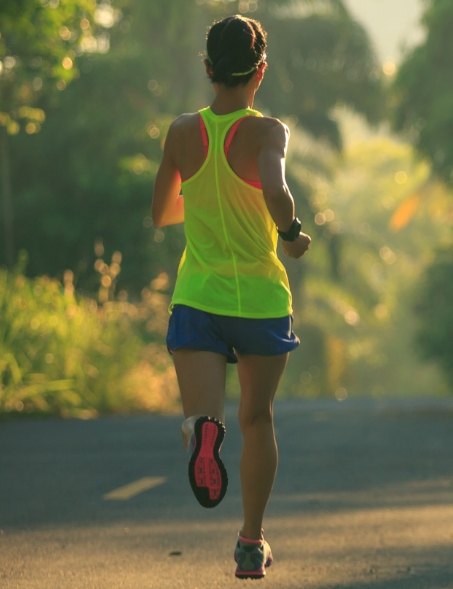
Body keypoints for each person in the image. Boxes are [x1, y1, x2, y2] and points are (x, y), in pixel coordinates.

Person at [149, 14, 310, 580]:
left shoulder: (181, 133)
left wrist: (207, 197)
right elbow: (275, 189)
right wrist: (291, 237)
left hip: (198, 299)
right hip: (260, 303)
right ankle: (250, 542)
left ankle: (202, 432)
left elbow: (162, 212)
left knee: (204, 415)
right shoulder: (268, 132)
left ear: (209, 69)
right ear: (259, 72)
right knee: (258, 418)